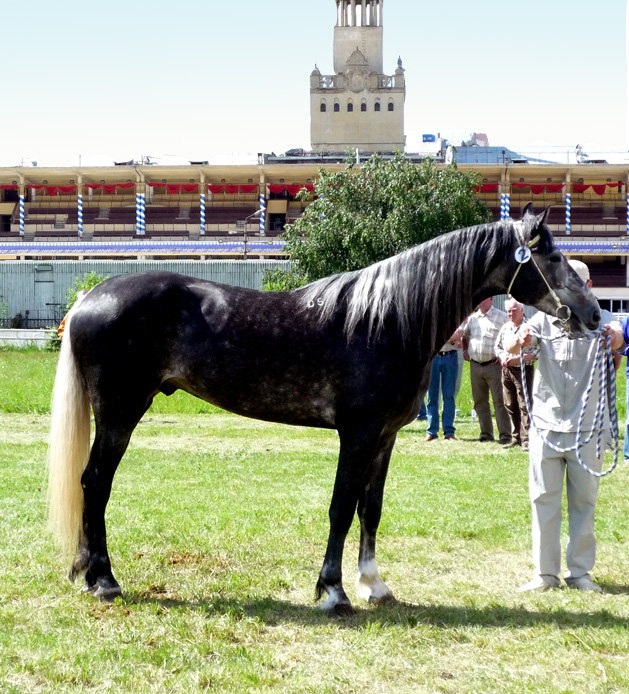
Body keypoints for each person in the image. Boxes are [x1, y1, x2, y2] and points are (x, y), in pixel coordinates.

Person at [507, 260, 623, 593]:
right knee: (543, 499)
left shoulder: (602, 318)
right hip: (546, 423)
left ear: (589, 286)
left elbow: (617, 341)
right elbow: (515, 346)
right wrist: (522, 338)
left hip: (588, 427)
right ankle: (544, 575)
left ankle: (580, 573)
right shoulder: (544, 317)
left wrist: (614, 340)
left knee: (584, 502)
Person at [462, 297, 511, 444]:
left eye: (483, 299)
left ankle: (505, 435)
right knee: (480, 402)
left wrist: (504, 354)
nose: (480, 302)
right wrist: (465, 350)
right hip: (475, 365)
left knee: (499, 401)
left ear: (491, 300)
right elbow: (465, 336)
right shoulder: (473, 318)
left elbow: (510, 336)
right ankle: (486, 434)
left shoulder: (502, 317)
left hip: (494, 365)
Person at [495, 297, 538, 450]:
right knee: (510, 404)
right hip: (506, 370)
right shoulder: (506, 327)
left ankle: (527, 440)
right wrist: (502, 357)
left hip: (524, 370)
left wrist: (516, 359)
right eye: (508, 311)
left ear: (522, 310)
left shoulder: (530, 328)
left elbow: (536, 352)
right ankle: (516, 437)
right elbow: (498, 347)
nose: (510, 314)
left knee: (525, 405)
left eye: (513, 311)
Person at [425, 329, 462, 441]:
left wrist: (438, 336)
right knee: (432, 396)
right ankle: (432, 431)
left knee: (449, 395)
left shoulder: (454, 317)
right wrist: (449, 337)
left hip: (450, 356)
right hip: (432, 357)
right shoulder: (431, 317)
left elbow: (459, 334)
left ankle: (449, 431)